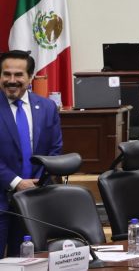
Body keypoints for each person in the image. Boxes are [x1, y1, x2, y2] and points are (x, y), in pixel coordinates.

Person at [0, 50, 62, 256]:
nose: (12, 80)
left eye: (18, 75)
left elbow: (54, 150)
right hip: (1, 200)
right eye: (6, 74)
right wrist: (16, 182)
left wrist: (38, 182)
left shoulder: (46, 107)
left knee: (30, 261)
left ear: (30, 77)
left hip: (35, 200)